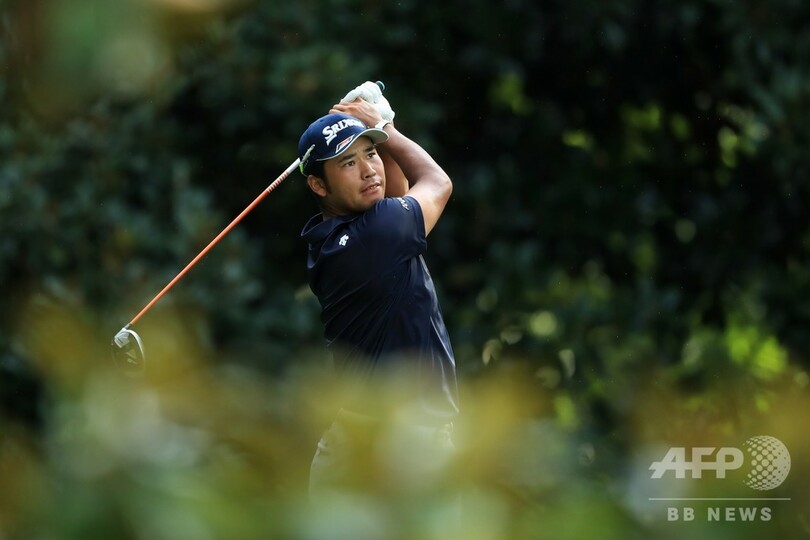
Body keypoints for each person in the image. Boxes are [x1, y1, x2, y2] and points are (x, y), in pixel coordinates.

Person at [298, 82, 460, 504]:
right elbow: (437, 183)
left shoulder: (332, 238)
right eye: (348, 162)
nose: (369, 169)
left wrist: (379, 129)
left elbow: (398, 195)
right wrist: (386, 128)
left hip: (361, 443)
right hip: (404, 451)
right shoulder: (377, 235)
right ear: (318, 185)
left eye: (370, 153)